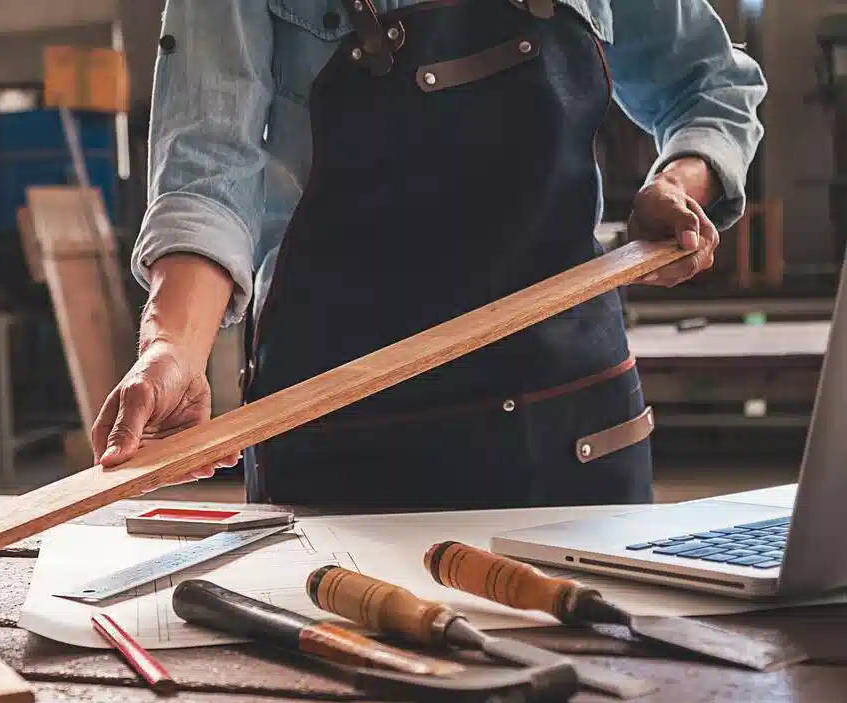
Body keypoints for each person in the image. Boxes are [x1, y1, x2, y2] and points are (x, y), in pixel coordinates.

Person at [92, 0, 766, 510]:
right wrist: (171, 350)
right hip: (342, 448)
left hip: (576, 433)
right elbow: (209, 174)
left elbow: (709, 84)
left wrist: (677, 184)